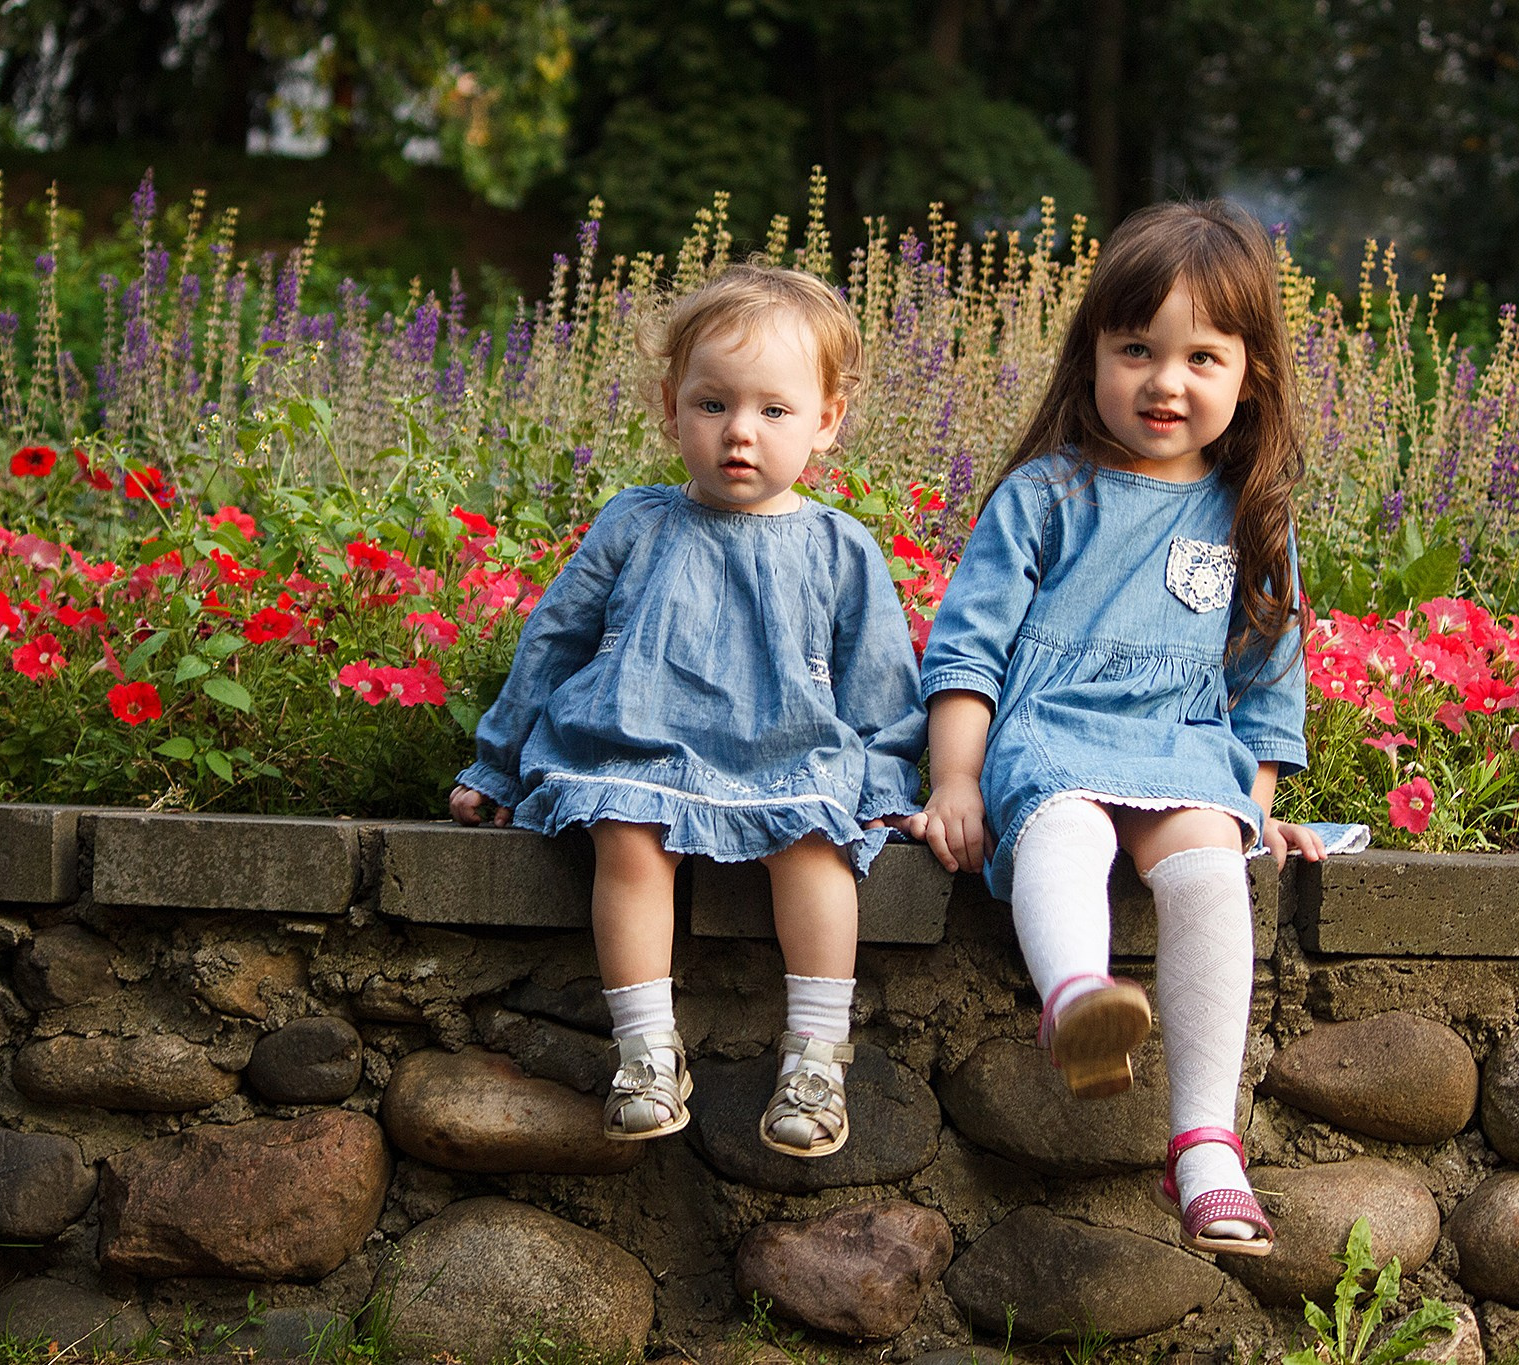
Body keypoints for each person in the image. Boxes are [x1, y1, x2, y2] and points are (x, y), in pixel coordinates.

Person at [908, 201, 1328, 1256]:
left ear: (1249, 376)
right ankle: (1077, 1000)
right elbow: (968, 651)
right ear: (1090, 354)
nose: (1163, 381)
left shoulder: (1250, 517)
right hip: (1053, 735)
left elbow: (1265, 689)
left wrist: (1252, 808)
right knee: (1069, 830)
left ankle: (1205, 1144)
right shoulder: (1046, 497)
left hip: (1183, 747)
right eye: (1135, 349)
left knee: (1207, 868)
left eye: (1200, 357)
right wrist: (955, 779)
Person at [450, 263, 925, 1159]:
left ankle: (815, 1055)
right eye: (712, 404)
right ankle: (645, 1050)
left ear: (826, 421)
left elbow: (881, 683)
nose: (739, 431)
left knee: (816, 846)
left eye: (774, 410)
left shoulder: (837, 546)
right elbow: (553, 640)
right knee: (627, 839)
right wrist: (498, 763)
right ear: (672, 408)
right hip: (639, 744)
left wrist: (887, 790)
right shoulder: (636, 524)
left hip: (785, 754)